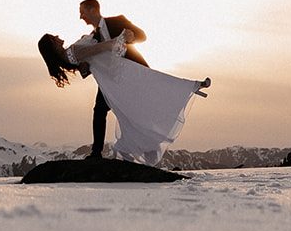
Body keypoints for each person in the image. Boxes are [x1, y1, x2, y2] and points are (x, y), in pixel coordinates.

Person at [37, 24, 211, 168]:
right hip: (111, 77)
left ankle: (103, 151)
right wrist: (106, 45)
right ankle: (136, 148)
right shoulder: (69, 55)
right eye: (54, 37)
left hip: (112, 76)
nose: (59, 36)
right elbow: (92, 57)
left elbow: (90, 58)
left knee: (115, 110)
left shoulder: (68, 56)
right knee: (119, 109)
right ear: (52, 44)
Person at [78, 0, 149, 158]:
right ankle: (96, 153)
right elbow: (94, 61)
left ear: (93, 10)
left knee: (131, 113)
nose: (81, 17)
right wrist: (84, 67)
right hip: (110, 80)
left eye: (82, 12)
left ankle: (145, 147)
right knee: (99, 110)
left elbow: (142, 36)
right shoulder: (92, 37)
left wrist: (132, 37)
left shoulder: (118, 21)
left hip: (130, 76)